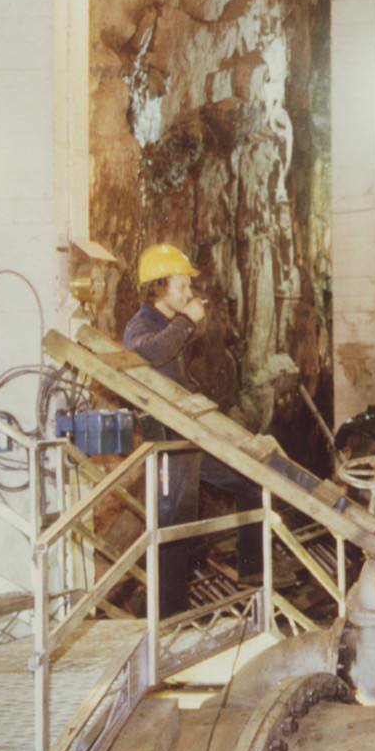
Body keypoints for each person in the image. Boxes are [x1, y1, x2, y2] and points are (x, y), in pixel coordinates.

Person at [123, 243, 262, 616]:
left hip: (192, 434)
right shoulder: (142, 325)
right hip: (169, 440)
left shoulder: (168, 324)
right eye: (181, 285)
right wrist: (186, 321)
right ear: (158, 287)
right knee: (174, 523)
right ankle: (170, 614)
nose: (188, 292)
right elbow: (148, 354)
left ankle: (253, 574)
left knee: (250, 481)